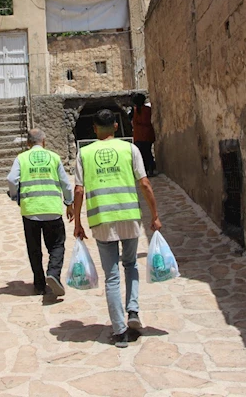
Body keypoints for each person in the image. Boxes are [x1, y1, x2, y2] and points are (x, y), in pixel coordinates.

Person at [72, 109, 162, 348]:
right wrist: (154, 215)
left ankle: (120, 331)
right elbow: (144, 183)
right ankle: (133, 310)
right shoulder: (130, 149)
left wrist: (78, 222)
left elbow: (79, 190)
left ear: (94, 129)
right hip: (129, 216)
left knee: (111, 276)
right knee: (130, 265)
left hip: (101, 219)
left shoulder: (84, 153)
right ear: (115, 126)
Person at [7, 129, 74, 297]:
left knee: (34, 248)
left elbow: (11, 179)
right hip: (52, 209)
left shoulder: (21, 158)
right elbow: (65, 184)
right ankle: (53, 273)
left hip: (30, 210)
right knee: (57, 245)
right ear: (44, 142)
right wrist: (69, 202)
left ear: (28, 143)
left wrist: (15, 196)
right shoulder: (54, 157)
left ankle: (39, 285)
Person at [130, 93, 156, 177]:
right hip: (147, 134)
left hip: (138, 135)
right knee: (148, 152)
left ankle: (143, 170)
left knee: (140, 154)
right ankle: (150, 169)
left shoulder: (134, 111)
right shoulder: (147, 109)